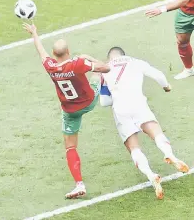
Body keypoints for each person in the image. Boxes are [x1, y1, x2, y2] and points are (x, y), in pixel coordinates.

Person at [23, 22, 110, 199]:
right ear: (68, 52)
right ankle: (111, 94)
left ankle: (79, 184)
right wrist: (89, 57)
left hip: (70, 111)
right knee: (97, 75)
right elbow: (106, 67)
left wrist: (34, 33)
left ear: (54, 55)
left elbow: (42, 52)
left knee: (70, 147)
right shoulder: (78, 63)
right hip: (89, 101)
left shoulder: (50, 67)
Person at [100, 47, 189, 199]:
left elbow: (104, 101)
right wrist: (166, 87)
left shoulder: (105, 69)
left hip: (121, 109)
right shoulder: (135, 62)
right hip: (138, 103)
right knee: (156, 132)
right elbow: (158, 75)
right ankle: (169, 154)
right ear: (124, 55)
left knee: (134, 148)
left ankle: (151, 175)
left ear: (110, 58)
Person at [145, 0, 194, 79]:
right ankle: (189, 69)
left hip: (185, 5)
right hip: (185, 12)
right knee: (182, 41)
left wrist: (161, 9)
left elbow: (184, 0)